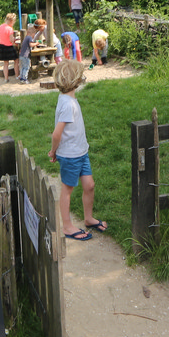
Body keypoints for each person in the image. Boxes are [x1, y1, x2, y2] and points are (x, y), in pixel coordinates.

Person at [48, 60, 106, 240]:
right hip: (70, 156)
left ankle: (88, 218)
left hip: (81, 152)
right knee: (67, 189)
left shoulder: (68, 99)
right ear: (76, 80)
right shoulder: (68, 104)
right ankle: (67, 227)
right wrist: (53, 151)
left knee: (89, 185)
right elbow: (56, 134)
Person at [19, 17, 44, 84]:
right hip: (26, 56)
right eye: (34, 35)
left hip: (21, 55)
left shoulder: (26, 38)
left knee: (23, 67)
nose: (34, 36)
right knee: (26, 67)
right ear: (32, 34)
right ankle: (25, 79)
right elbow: (31, 45)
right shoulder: (29, 37)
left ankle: (21, 78)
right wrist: (36, 43)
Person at [0, 13, 18, 81]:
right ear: (11, 21)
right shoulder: (10, 29)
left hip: (2, 46)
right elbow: (11, 39)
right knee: (16, 60)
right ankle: (17, 76)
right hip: (9, 47)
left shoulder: (1, 26)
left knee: (6, 63)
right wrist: (15, 40)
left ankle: (6, 78)